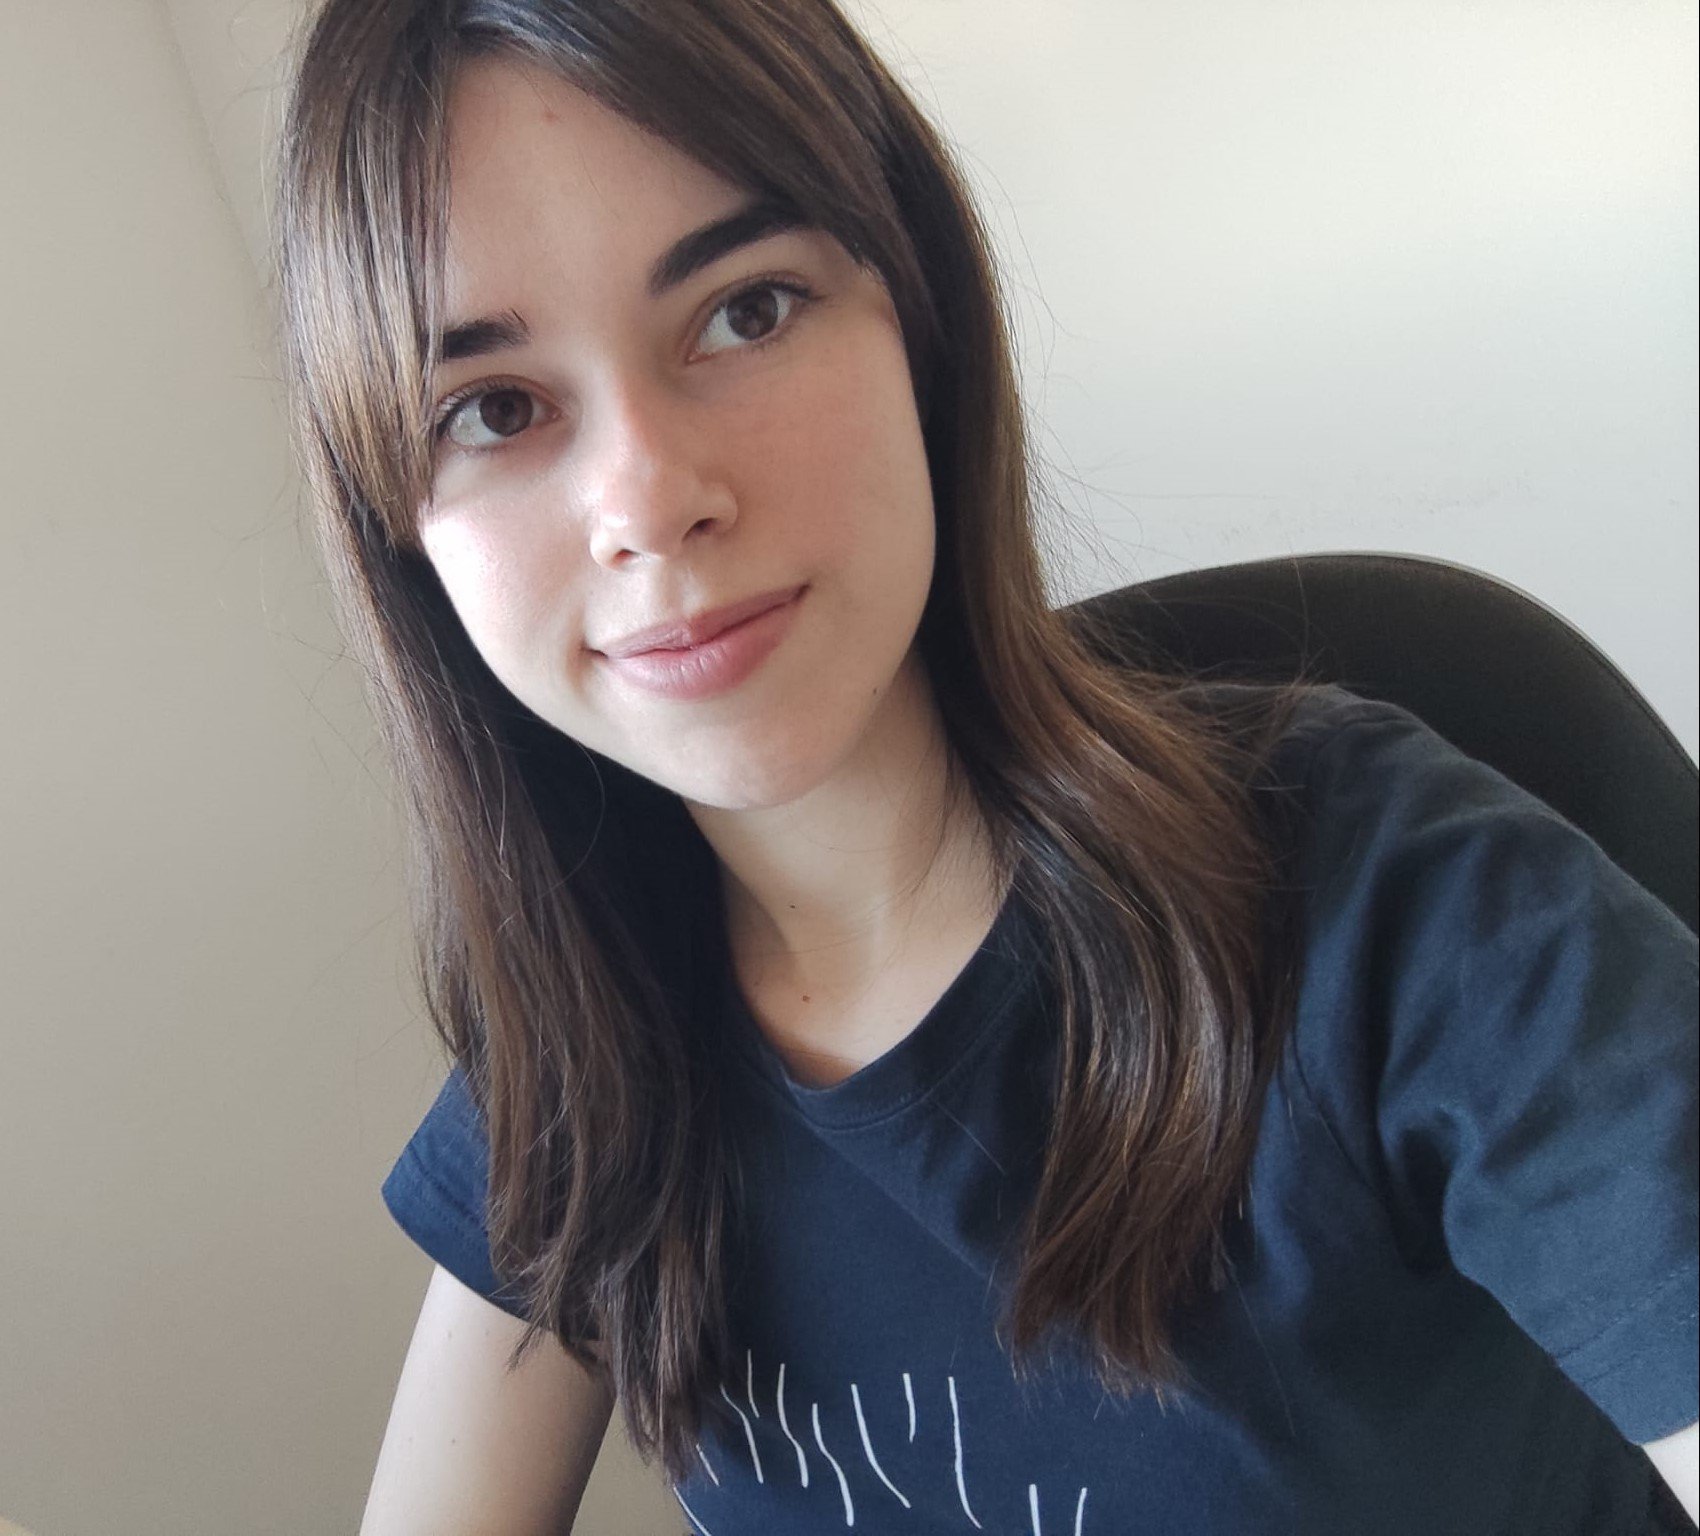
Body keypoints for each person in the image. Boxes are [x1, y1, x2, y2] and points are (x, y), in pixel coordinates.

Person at [272, 2, 1699, 1532]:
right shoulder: (586, 1048)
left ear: (920, 320)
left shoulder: (1400, 912)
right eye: (494, 409)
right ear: (399, 528)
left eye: (746, 310)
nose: (649, 500)